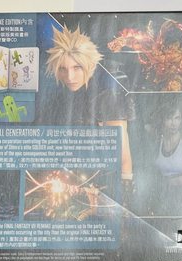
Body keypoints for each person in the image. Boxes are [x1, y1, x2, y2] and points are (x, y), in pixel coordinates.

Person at [36, 25, 134, 196]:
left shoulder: (106, 94)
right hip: (68, 186)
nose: (70, 77)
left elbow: (123, 158)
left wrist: (124, 194)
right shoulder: (59, 96)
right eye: (63, 69)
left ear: (88, 65)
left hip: (101, 188)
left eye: (77, 68)